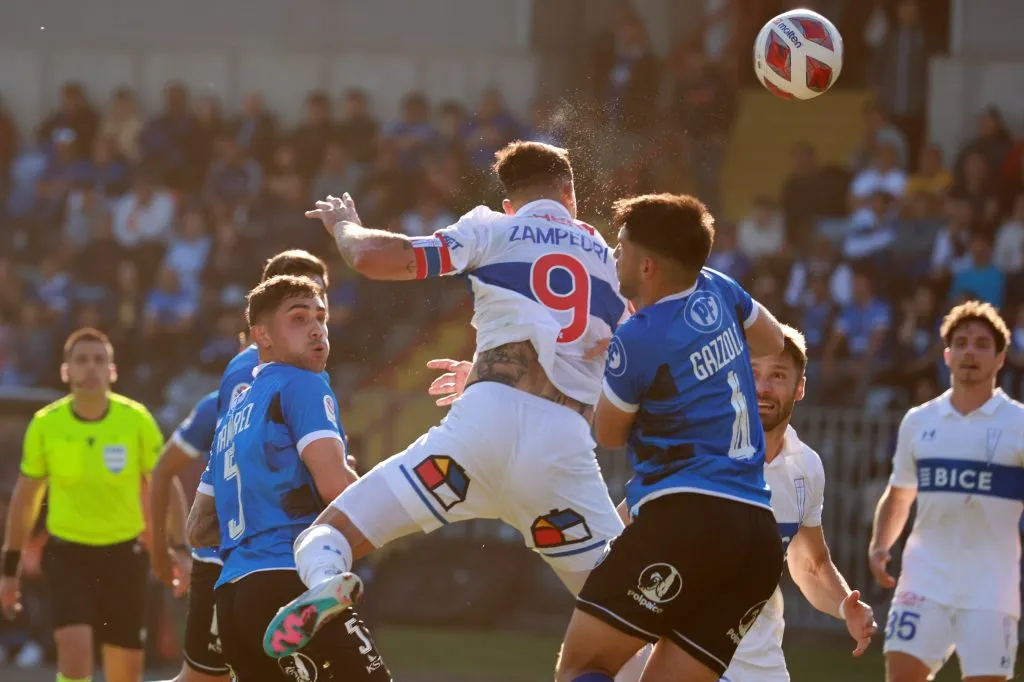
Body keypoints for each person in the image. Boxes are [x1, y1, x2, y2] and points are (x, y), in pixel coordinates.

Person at [263, 141, 630, 658]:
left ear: (511, 203)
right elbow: (621, 350)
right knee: (633, 617)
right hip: (561, 456)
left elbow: (371, 257)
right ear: (569, 195)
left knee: (327, 537)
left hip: (475, 439)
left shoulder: (493, 228)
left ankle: (327, 582)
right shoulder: (611, 262)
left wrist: (344, 224)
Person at [555, 193, 787, 682]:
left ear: (647, 265)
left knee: (584, 667)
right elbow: (772, 342)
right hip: (757, 535)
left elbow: (611, 434)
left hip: (688, 517)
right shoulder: (718, 289)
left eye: (621, 246)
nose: (615, 255)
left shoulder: (640, 335)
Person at [186, 275, 390, 681]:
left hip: (232, 597)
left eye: (321, 317)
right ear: (261, 335)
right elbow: (336, 489)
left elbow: (197, 529)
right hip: (293, 585)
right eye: (298, 318)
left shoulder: (230, 418)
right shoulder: (303, 384)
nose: (317, 328)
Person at [868, 300, 1024, 682]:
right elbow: (900, 491)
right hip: (924, 580)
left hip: (993, 587)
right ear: (947, 355)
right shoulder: (919, 421)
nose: (971, 351)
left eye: (983, 344)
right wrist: (880, 545)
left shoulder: (1019, 423)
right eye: (962, 342)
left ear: (1000, 358)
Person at [1, 328, 164, 682]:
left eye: (98, 359)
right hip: (68, 556)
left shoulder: (137, 420)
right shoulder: (46, 424)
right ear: (66, 371)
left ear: (112, 370)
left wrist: (170, 550)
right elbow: (25, 500)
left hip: (124, 556)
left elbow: (163, 491)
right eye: (81, 360)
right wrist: (8, 568)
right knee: (75, 664)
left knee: (124, 675)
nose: (90, 368)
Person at [722, 325, 877, 682]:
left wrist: (845, 607)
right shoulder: (700, 447)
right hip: (683, 652)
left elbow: (809, 563)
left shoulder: (806, 467)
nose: (762, 387)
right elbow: (625, 523)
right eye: (753, 373)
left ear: (800, 387)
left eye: (777, 375)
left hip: (760, 662)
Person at [150, 390, 229, 682]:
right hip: (221, 565)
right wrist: (168, 550)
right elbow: (163, 469)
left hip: (278, 565)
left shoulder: (303, 391)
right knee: (201, 678)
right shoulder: (218, 403)